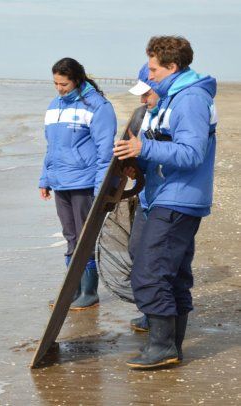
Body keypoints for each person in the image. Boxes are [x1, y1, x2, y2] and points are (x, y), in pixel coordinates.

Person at [113, 36, 217, 369]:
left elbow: (192, 153)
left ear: (172, 67)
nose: (150, 79)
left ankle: (163, 346)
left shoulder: (189, 100)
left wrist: (143, 150)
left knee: (150, 272)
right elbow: (160, 149)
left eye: (154, 70)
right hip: (159, 194)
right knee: (166, 272)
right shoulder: (169, 99)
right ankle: (168, 343)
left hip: (180, 198)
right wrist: (137, 163)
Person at [39, 57, 117, 310]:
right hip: (60, 181)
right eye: (55, 83)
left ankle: (89, 292)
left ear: (77, 80)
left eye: (64, 84)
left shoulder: (98, 106)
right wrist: (45, 178)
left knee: (85, 238)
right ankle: (72, 290)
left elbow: (106, 152)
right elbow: (52, 147)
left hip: (84, 182)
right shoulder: (54, 105)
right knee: (70, 236)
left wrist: (100, 188)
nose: (59, 88)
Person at [126, 64, 161, 333]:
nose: (142, 99)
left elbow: (188, 154)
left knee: (155, 262)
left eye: (146, 93)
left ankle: (158, 320)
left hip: (168, 200)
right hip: (147, 197)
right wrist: (134, 165)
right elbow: (146, 159)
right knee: (136, 251)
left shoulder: (173, 114)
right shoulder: (145, 116)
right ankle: (150, 311)